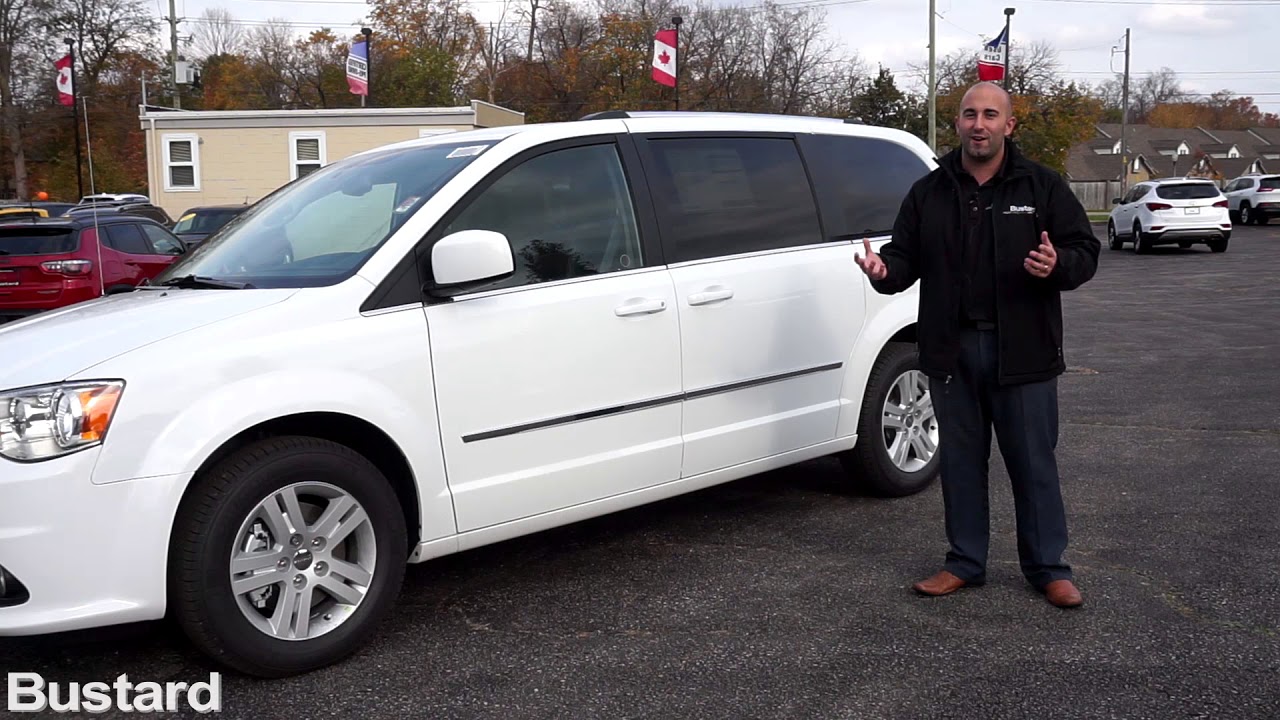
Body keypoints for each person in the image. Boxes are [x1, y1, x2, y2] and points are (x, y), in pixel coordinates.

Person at [855, 81, 1100, 609]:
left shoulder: (1041, 186)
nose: (979, 124)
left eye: (991, 114)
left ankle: (1048, 567)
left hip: (1025, 355)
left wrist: (1058, 266)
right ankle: (965, 562)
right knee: (962, 465)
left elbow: (1085, 250)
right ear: (958, 123)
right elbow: (903, 260)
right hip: (951, 353)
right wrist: (883, 271)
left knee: (1033, 464)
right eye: (970, 114)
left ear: (1009, 125)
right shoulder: (931, 190)